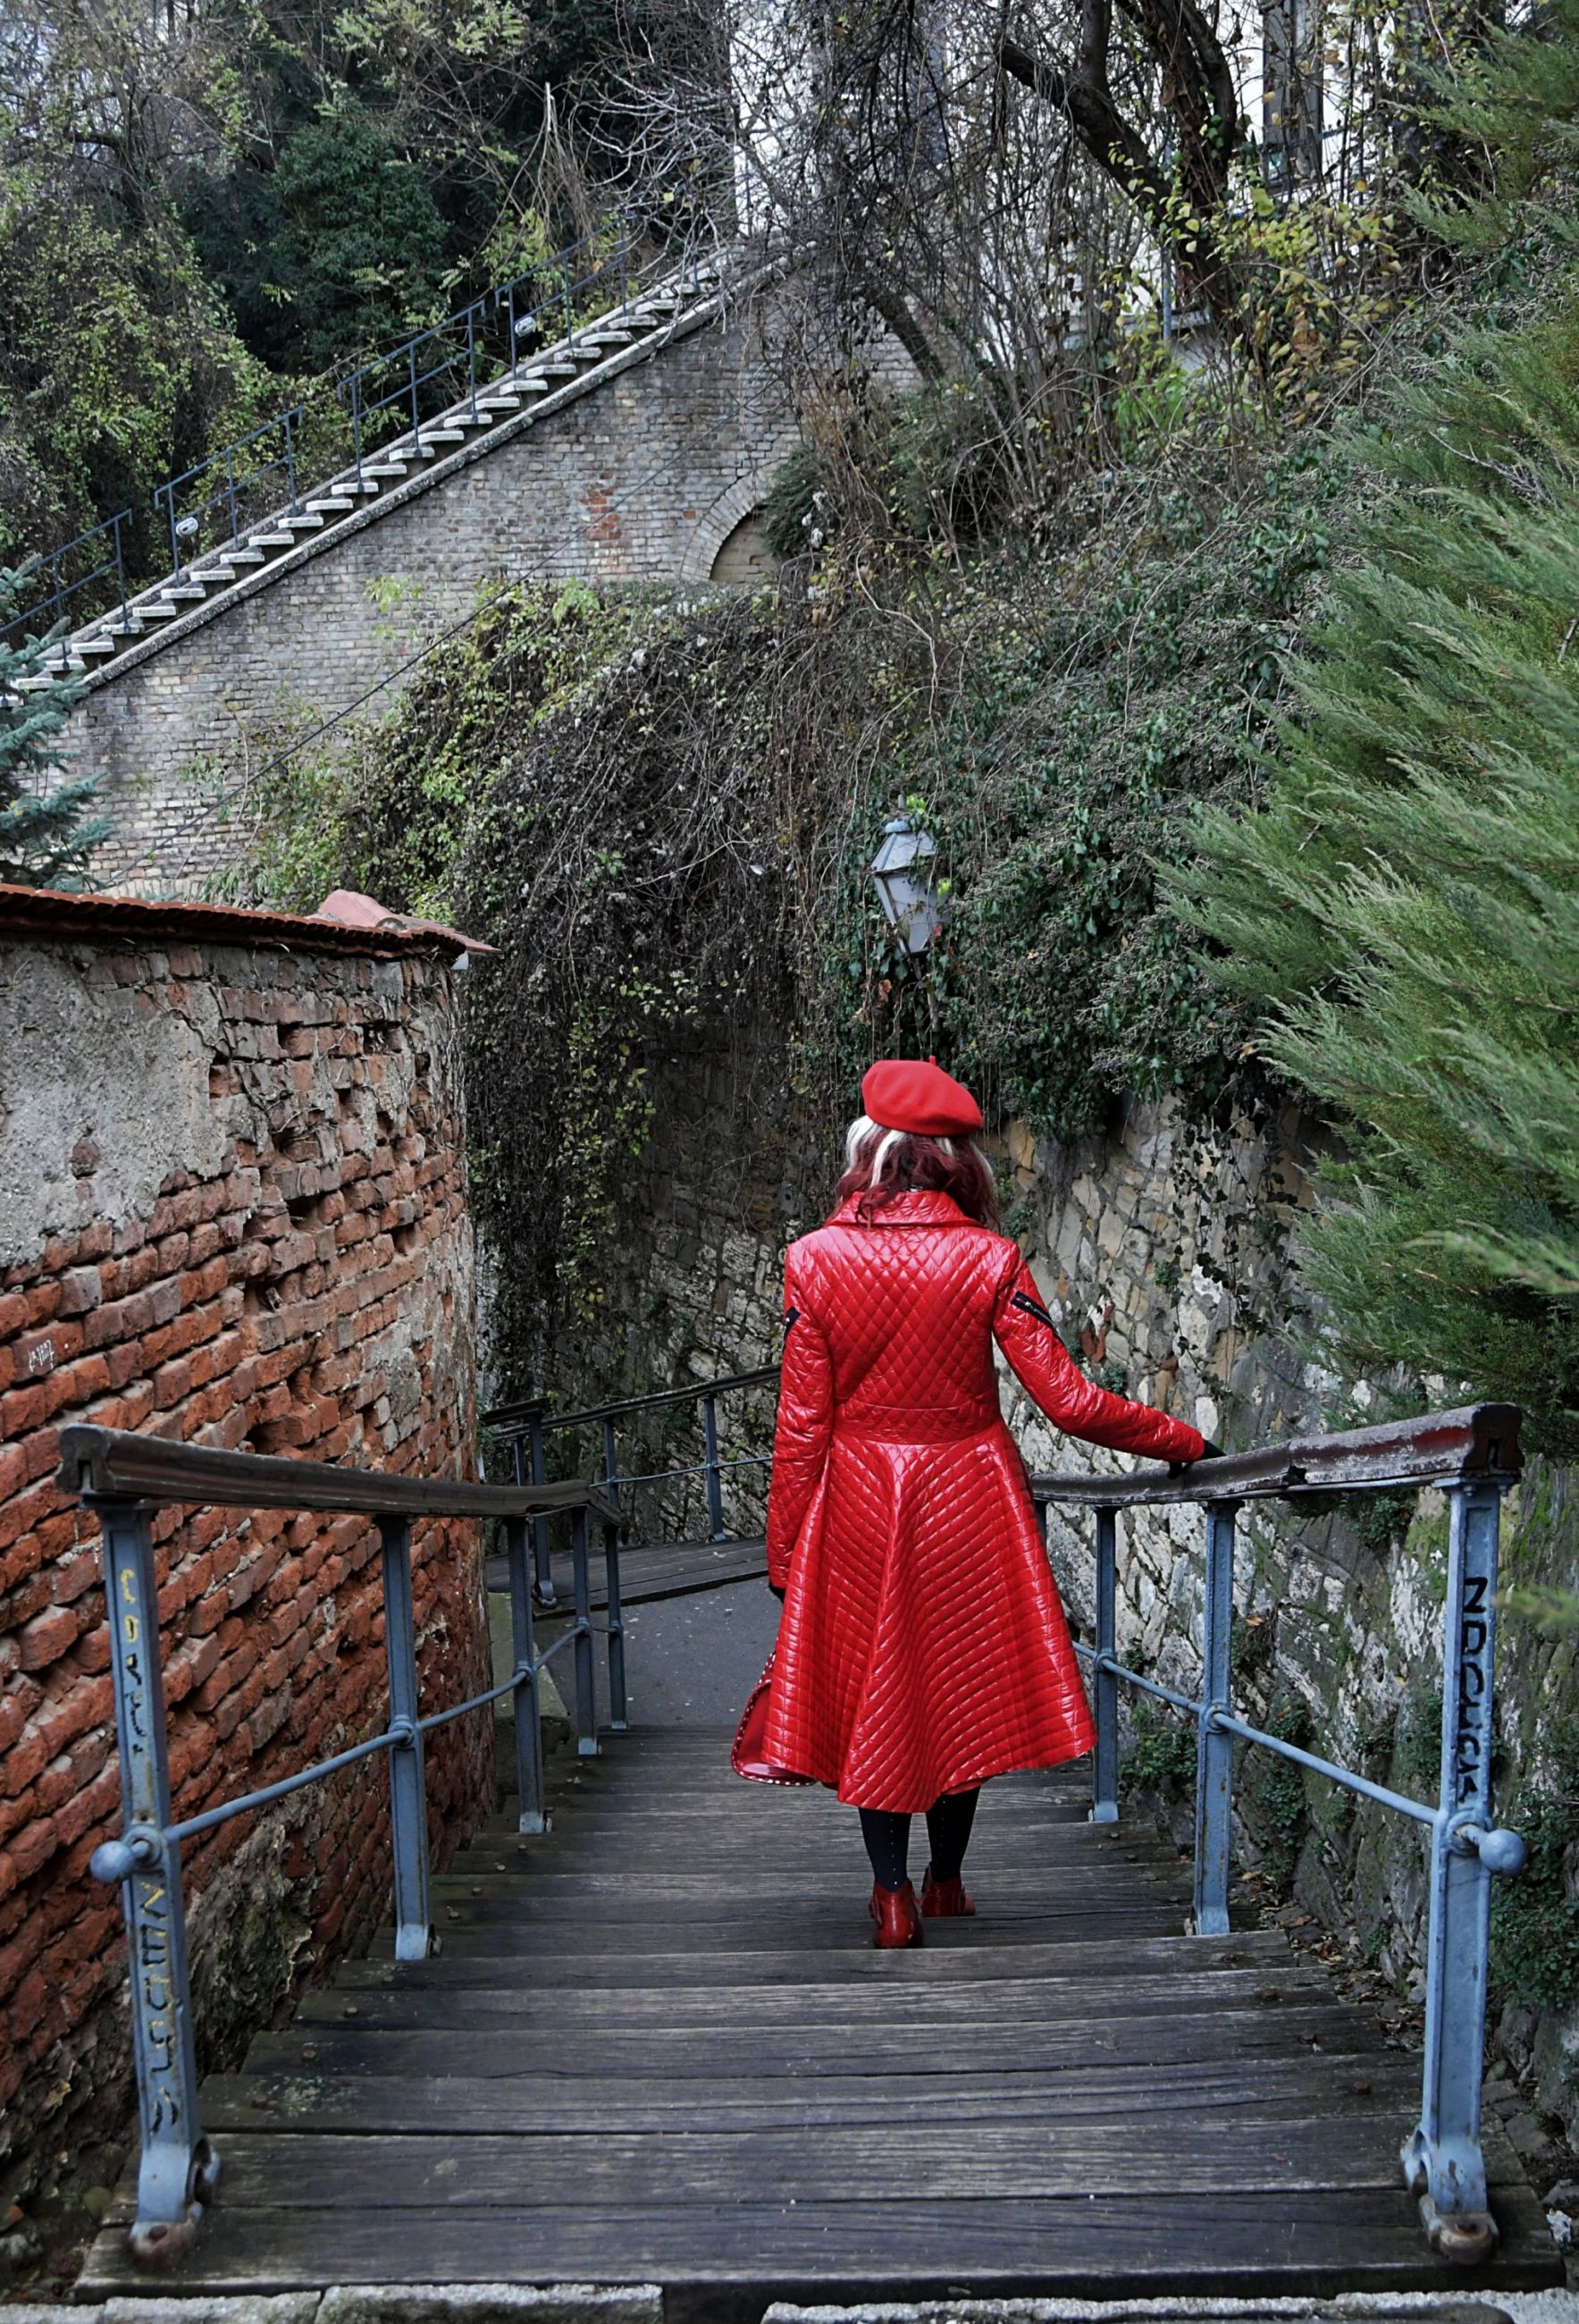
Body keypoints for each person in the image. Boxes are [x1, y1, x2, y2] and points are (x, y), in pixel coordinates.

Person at [761, 1057, 1218, 1949]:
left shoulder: (811, 1261)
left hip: (857, 1495)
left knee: (879, 1691)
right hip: (967, 1497)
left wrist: (786, 1554)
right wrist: (1183, 1440)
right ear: (956, 1161)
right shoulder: (990, 1258)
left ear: (872, 1152)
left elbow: (800, 1426)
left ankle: (889, 1895)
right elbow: (1071, 1402)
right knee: (952, 1688)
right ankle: (946, 1879)